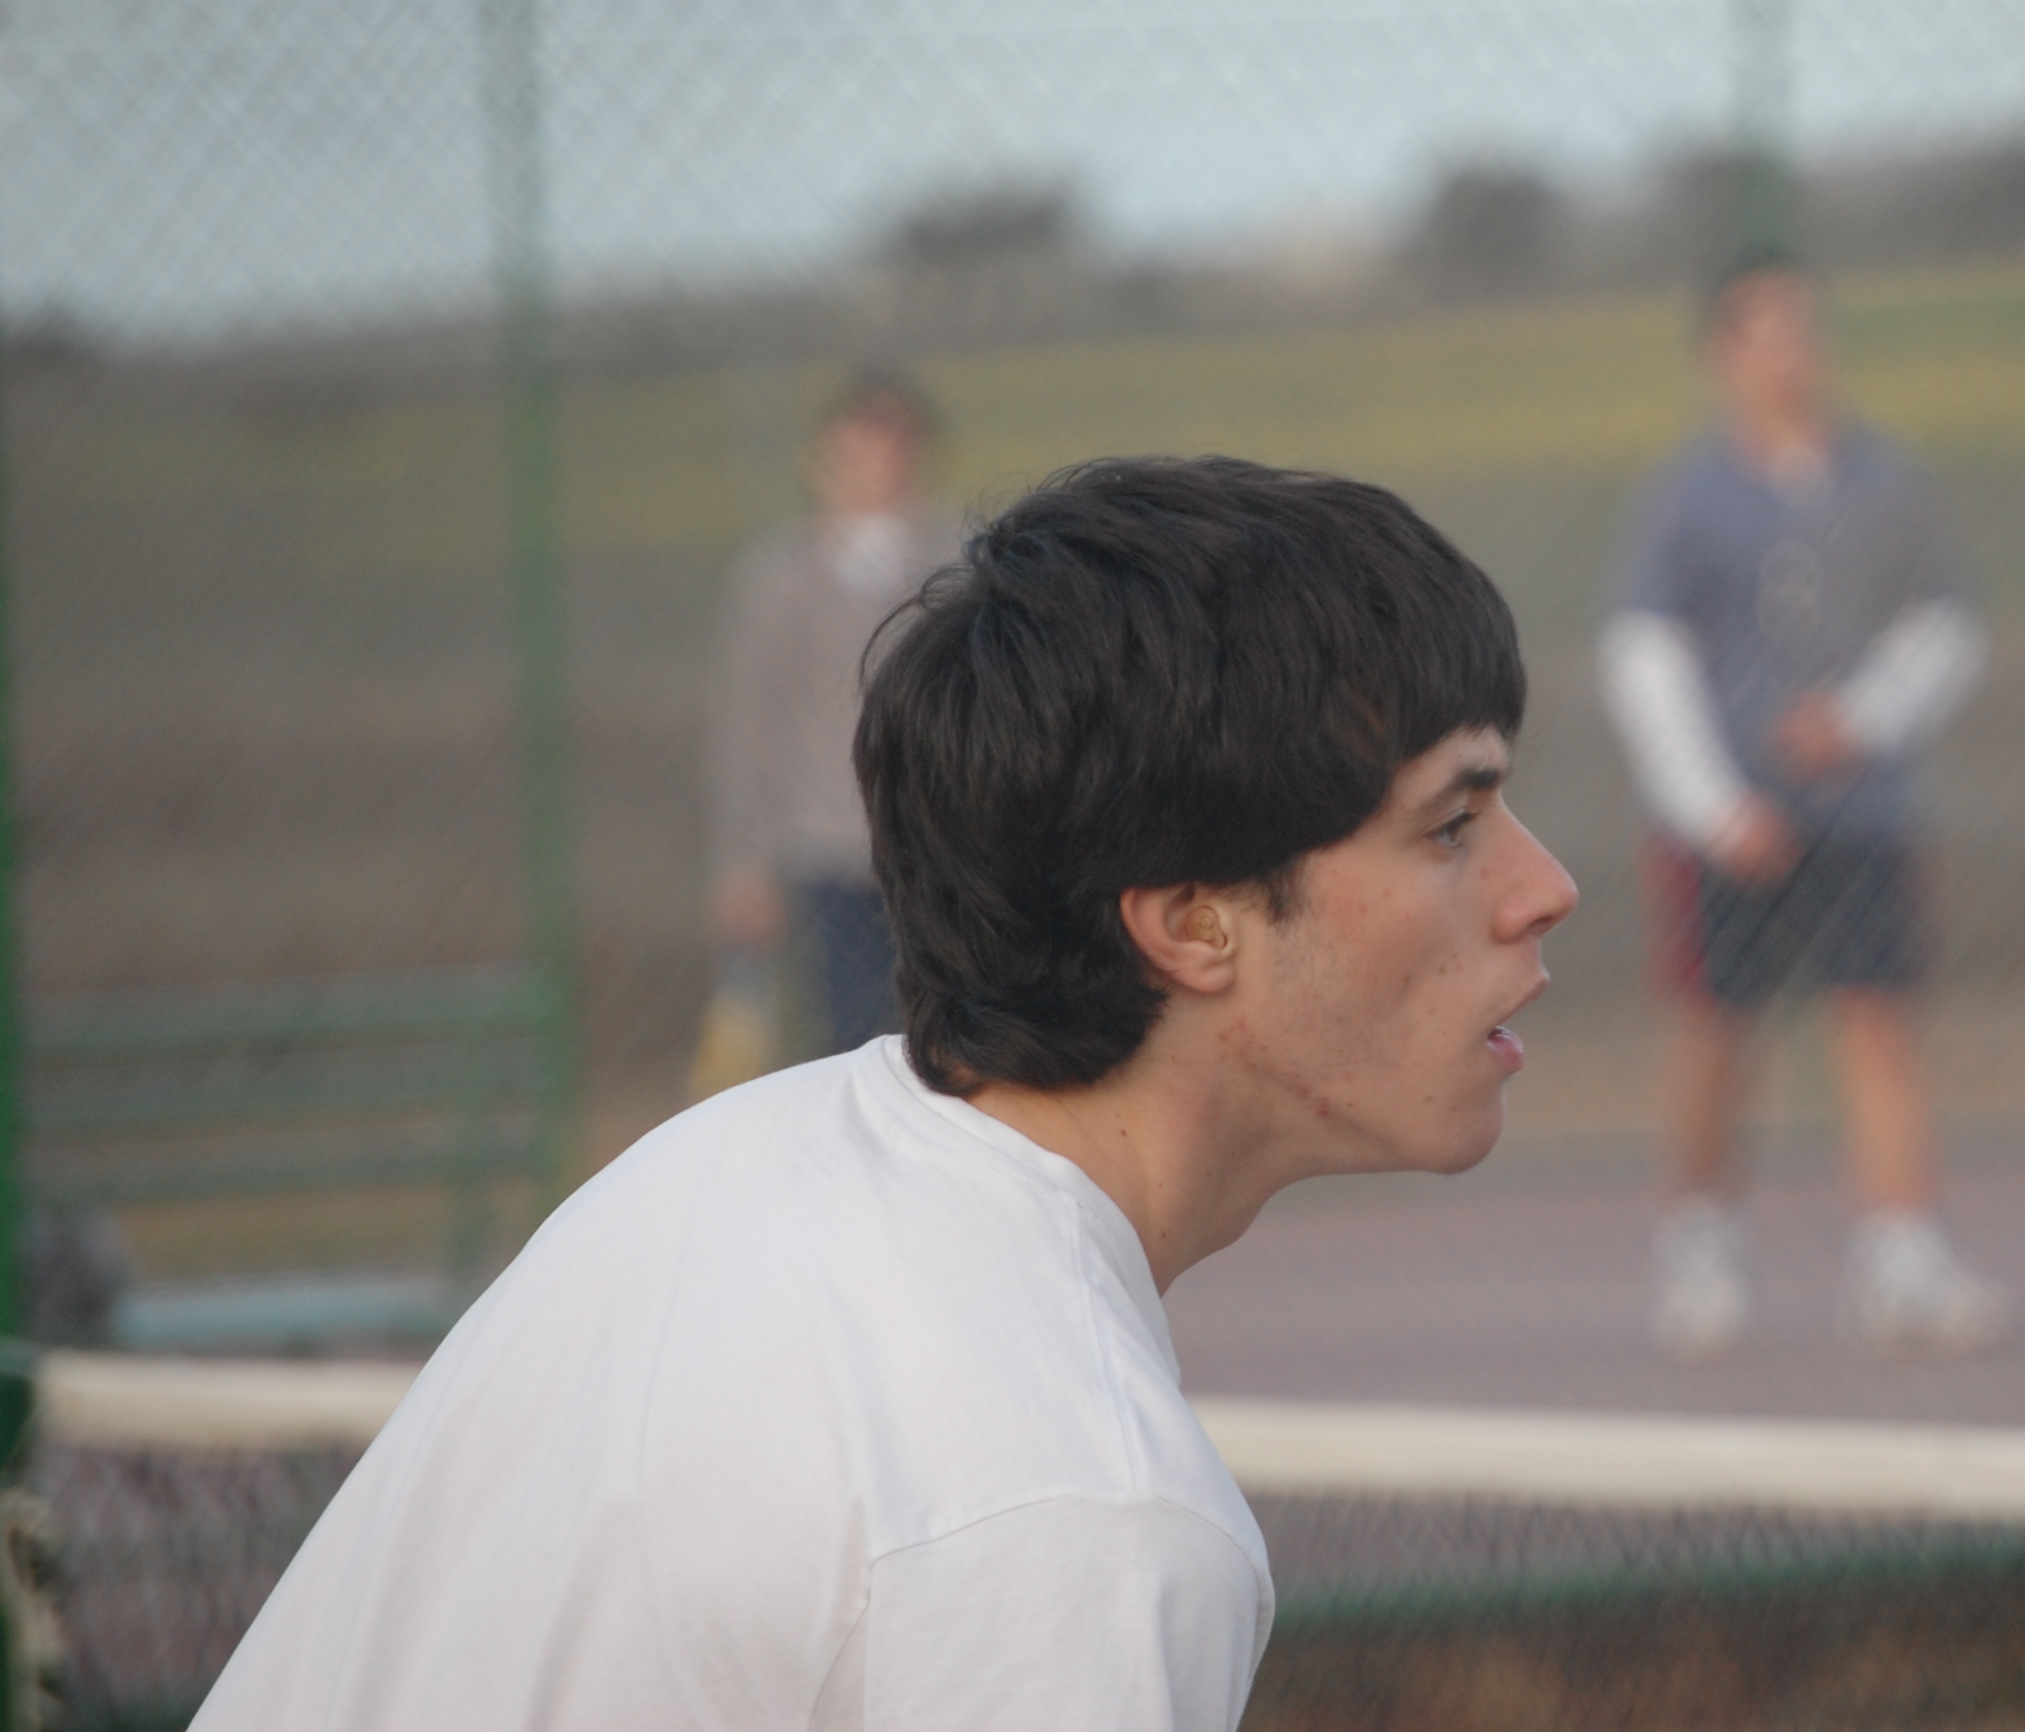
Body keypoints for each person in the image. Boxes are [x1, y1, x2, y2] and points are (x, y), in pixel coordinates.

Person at [194, 456, 1578, 1731]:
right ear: (1190, 921)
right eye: (1450, 824)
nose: (1544, 887)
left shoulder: (726, 1169)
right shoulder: (1074, 1511)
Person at [1601, 253, 2000, 1358]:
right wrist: (1713, 806)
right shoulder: (1686, 496)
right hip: (1727, 826)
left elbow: (1946, 626)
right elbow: (1642, 655)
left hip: (1862, 813)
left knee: (1877, 1026)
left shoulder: (1884, 479)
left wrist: (1861, 719)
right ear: (1720, 354)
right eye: (1765, 332)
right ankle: (1701, 1248)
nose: (1791, 352)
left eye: (1804, 328)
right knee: (1716, 1036)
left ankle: (1900, 1261)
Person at [697, 370, 964, 1097]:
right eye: (860, 448)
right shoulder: (778, 577)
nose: (878, 464)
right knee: (851, 1034)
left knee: (951, 1026)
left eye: (894, 446)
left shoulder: (960, 562)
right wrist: (742, 861)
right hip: (827, 844)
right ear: (824, 460)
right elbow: (750, 722)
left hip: (941, 836)